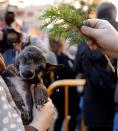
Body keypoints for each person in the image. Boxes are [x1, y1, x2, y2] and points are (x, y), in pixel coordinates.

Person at [74, 2, 117, 131]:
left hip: (93, 102)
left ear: (98, 15)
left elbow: (77, 67)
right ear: (114, 14)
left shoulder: (89, 34)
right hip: (114, 100)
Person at [49, 37, 80, 131]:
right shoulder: (59, 57)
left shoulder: (58, 55)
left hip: (61, 92)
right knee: (74, 114)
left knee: (63, 115)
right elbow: (71, 72)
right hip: (65, 93)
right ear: (60, 43)